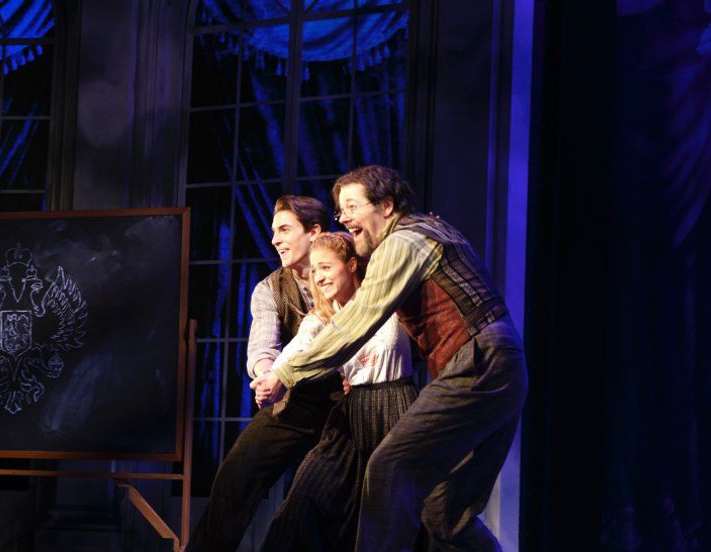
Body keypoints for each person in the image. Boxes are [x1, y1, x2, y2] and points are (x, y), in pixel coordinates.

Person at [252, 165, 528, 550]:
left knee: (388, 468)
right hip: (502, 366)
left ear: (385, 206)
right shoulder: (430, 230)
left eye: (352, 206)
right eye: (340, 210)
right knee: (444, 512)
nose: (344, 218)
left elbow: (357, 322)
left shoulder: (402, 243)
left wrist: (285, 373)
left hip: (481, 360)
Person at [187, 195, 343, 552]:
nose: (275, 240)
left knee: (325, 499)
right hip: (297, 399)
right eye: (273, 231)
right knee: (236, 477)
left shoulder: (350, 274)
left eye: (285, 230)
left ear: (314, 232)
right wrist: (265, 376)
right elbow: (262, 346)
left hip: (348, 400)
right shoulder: (270, 288)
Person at [252, 232, 417, 551]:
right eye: (314, 270)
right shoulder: (322, 317)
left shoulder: (385, 298)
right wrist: (272, 377)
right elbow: (299, 349)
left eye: (326, 267)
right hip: (352, 413)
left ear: (352, 265)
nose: (319, 277)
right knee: (306, 497)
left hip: (396, 407)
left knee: (399, 512)